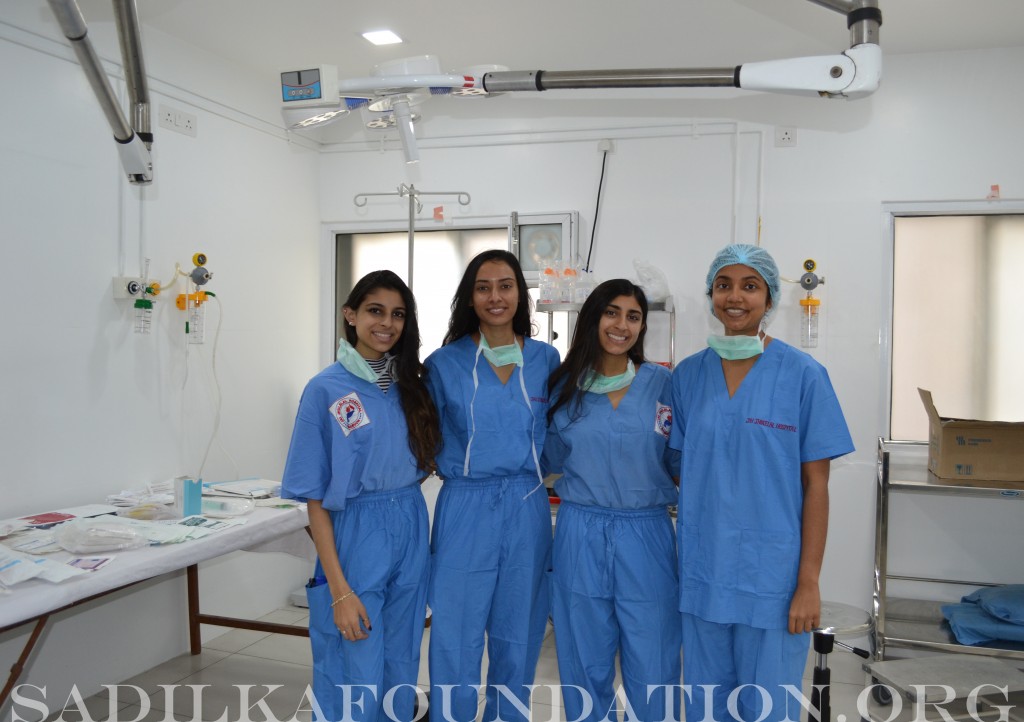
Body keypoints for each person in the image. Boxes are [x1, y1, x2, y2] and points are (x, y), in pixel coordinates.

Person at [669, 244, 855, 722]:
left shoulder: (804, 376)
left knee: (769, 708)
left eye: (750, 286)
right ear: (710, 294)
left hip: (772, 579)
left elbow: (817, 487)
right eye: (724, 285)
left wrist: (809, 582)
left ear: (770, 298)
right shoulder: (688, 377)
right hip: (704, 570)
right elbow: (680, 468)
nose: (736, 297)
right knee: (707, 706)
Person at [281, 270, 440, 722]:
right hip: (355, 530)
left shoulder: (413, 388)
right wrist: (339, 590)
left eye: (397, 314)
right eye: (375, 311)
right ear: (350, 315)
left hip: (410, 521)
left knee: (401, 656)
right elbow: (313, 498)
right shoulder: (325, 390)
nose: (386, 323)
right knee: (353, 663)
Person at [424, 249, 560, 722]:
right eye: (484, 287)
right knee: (456, 633)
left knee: (519, 630)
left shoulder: (546, 359)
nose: (495, 296)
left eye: (505, 285)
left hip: (526, 504)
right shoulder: (443, 364)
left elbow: (560, 436)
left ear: (520, 294)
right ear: (470, 297)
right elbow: (424, 437)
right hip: (465, 504)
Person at [542, 279, 681, 722]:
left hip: (648, 534)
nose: (622, 325)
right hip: (581, 529)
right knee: (584, 655)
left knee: (653, 652)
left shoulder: (663, 384)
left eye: (633, 316)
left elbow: (681, 457)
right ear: (593, 318)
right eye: (612, 312)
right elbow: (549, 457)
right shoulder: (565, 387)